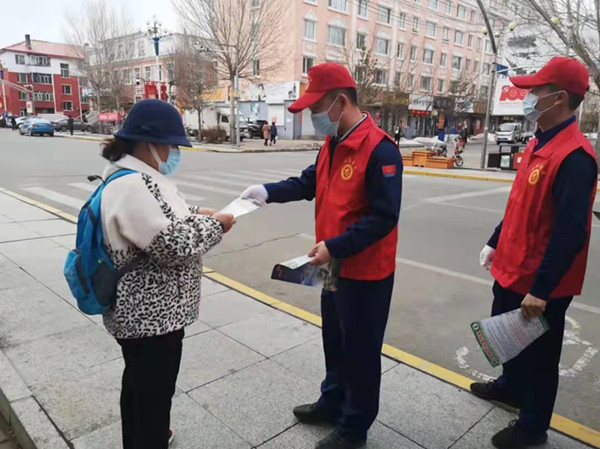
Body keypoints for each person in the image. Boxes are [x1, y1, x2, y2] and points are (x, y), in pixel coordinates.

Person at [242, 62, 403, 449]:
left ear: (340, 102)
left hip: (365, 274)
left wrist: (335, 246)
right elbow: (308, 183)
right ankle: (332, 402)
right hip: (333, 269)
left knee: (361, 352)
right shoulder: (332, 144)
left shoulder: (380, 150)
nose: (313, 117)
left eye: (316, 108)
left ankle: (354, 427)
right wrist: (267, 192)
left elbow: (384, 218)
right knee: (335, 339)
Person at [472, 57, 597, 449]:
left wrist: (542, 289)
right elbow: (520, 204)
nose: (528, 97)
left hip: (539, 282)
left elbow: (570, 232)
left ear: (559, 98)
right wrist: (496, 240)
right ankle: (510, 386)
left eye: (536, 90)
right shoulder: (539, 142)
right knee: (508, 339)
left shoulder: (575, 157)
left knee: (541, 359)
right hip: (512, 267)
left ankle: (532, 428)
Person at [100, 99, 235, 449]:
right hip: (150, 319)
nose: (174, 153)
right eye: (171, 145)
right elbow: (173, 245)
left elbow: (164, 216)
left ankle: (152, 434)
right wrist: (217, 225)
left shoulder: (135, 177)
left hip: (149, 316)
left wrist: (198, 212)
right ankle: (149, 439)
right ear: (149, 143)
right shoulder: (132, 185)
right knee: (152, 391)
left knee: (141, 386)